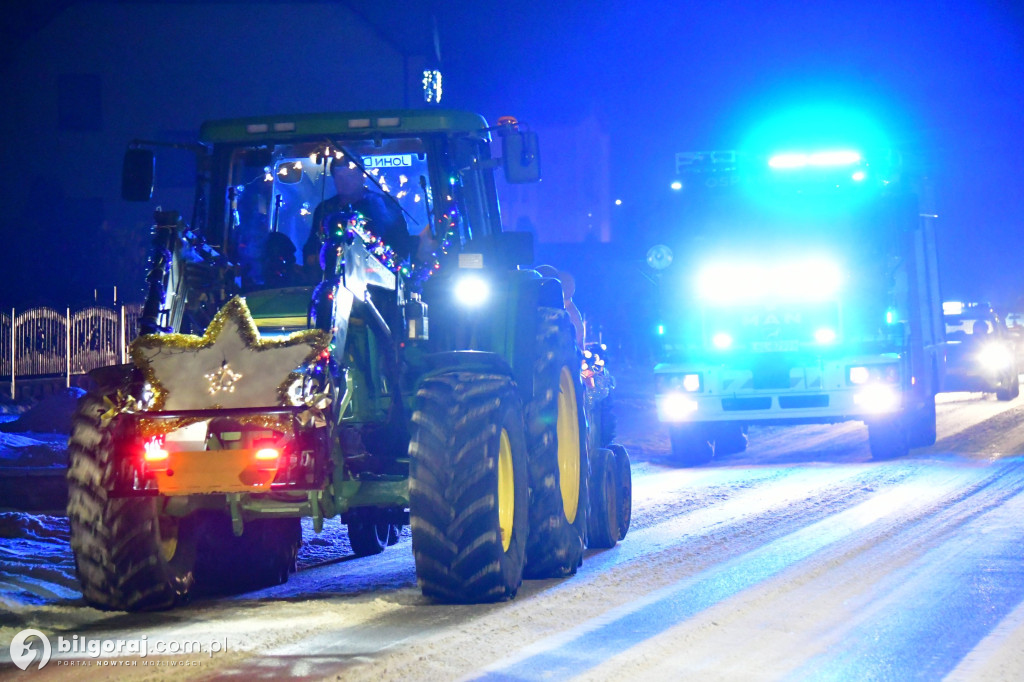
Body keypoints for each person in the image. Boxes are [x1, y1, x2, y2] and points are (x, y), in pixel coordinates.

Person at [304, 157, 416, 276]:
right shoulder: (326, 209)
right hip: (335, 280)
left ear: (362, 176)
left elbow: (402, 246)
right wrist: (315, 258)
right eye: (340, 177)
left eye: (350, 176)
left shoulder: (385, 205)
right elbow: (312, 247)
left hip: (381, 280)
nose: (345, 182)